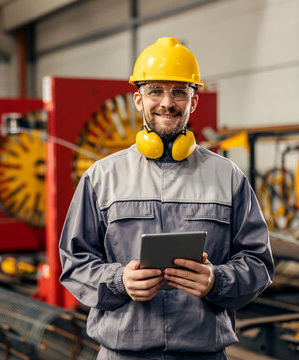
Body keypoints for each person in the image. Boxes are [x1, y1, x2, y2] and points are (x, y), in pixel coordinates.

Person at [59, 37, 274, 360]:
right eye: (155, 91)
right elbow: (74, 263)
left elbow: (258, 262)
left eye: (179, 91)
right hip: (123, 353)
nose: (167, 103)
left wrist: (217, 280)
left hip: (202, 353)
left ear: (194, 101)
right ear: (138, 100)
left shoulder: (227, 177)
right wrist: (119, 281)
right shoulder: (102, 177)